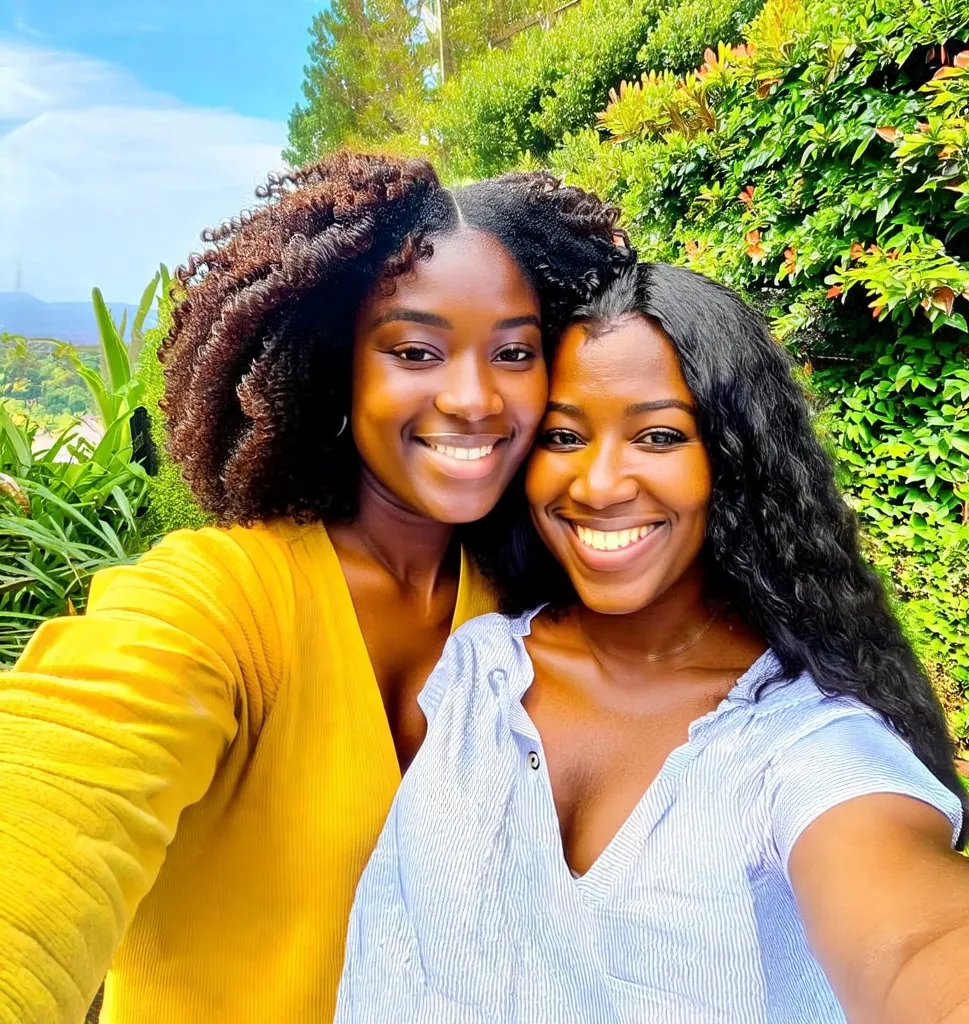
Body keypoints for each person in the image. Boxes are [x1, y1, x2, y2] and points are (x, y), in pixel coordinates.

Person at [0, 151, 631, 1024]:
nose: (476, 397)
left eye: (514, 352)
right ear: (339, 368)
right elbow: (52, 794)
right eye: (415, 350)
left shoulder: (533, 597)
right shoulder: (218, 601)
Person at [337, 262, 969, 1023]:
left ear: (733, 460)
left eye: (659, 436)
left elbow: (922, 940)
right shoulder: (473, 670)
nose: (598, 485)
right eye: (564, 435)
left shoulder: (801, 743)